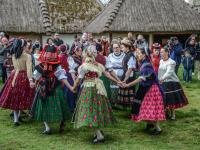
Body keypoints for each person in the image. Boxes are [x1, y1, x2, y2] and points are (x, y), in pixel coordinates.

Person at [72, 45, 119, 144]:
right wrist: (117, 81)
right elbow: (107, 74)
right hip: (99, 89)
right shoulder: (98, 65)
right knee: (98, 109)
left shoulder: (84, 66)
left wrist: (74, 87)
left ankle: (99, 135)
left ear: (86, 54)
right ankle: (97, 132)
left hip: (89, 89)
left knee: (90, 111)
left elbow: (78, 79)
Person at [30, 41, 74, 134]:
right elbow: (62, 77)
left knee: (45, 107)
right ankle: (59, 124)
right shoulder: (56, 66)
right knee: (59, 105)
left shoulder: (41, 66)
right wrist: (70, 87)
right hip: (53, 88)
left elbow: (36, 77)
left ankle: (48, 127)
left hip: (45, 88)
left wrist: (33, 81)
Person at [123, 48, 165, 135]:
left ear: (144, 55)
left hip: (151, 90)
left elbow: (141, 78)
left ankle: (158, 129)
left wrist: (128, 84)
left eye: (139, 53)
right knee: (144, 107)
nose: (137, 55)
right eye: (137, 53)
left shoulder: (147, 66)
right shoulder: (143, 64)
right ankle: (149, 125)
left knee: (148, 108)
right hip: (146, 89)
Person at [0, 39, 35, 126]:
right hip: (23, 77)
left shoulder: (14, 54)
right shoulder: (27, 56)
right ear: (23, 46)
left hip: (14, 76)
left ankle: (16, 119)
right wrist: (30, 80)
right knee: (22, 96)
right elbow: (29, 69)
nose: (27, 46)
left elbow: (15, 68)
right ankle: (18, 116)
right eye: (26, 45)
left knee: (15, 97)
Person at [158, 47, 188, 120]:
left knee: (171, 99)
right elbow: (160, 72)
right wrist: (159, 79)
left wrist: (162, 79)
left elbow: (169, 72)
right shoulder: (161, 61)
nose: (160, 53)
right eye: (160, 52)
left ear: (167, 53)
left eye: (162, 52)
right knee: (164, 98)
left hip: (171, 82)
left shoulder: (172, 62)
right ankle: (167, 113)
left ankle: (173, 115)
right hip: (162, 82)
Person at [118, 39, 137, 108]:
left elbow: (130, 69)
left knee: (129, 92)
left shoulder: (131, 56)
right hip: (126, 75)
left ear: (127, 47)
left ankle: (132, 109)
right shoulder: (127, 55)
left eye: (122, 47)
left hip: (129, 77)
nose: (121, 49)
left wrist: (125, 79)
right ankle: (126, 108)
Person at [59, 44, 77, 112]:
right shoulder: (68, 57)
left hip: (60, 75)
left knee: (63, 91)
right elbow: (71, 69)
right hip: (67, 74)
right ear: (67, 50)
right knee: (70, 90)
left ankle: (64, 107)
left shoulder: (58, 57)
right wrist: (74, 79)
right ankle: (70, 107)